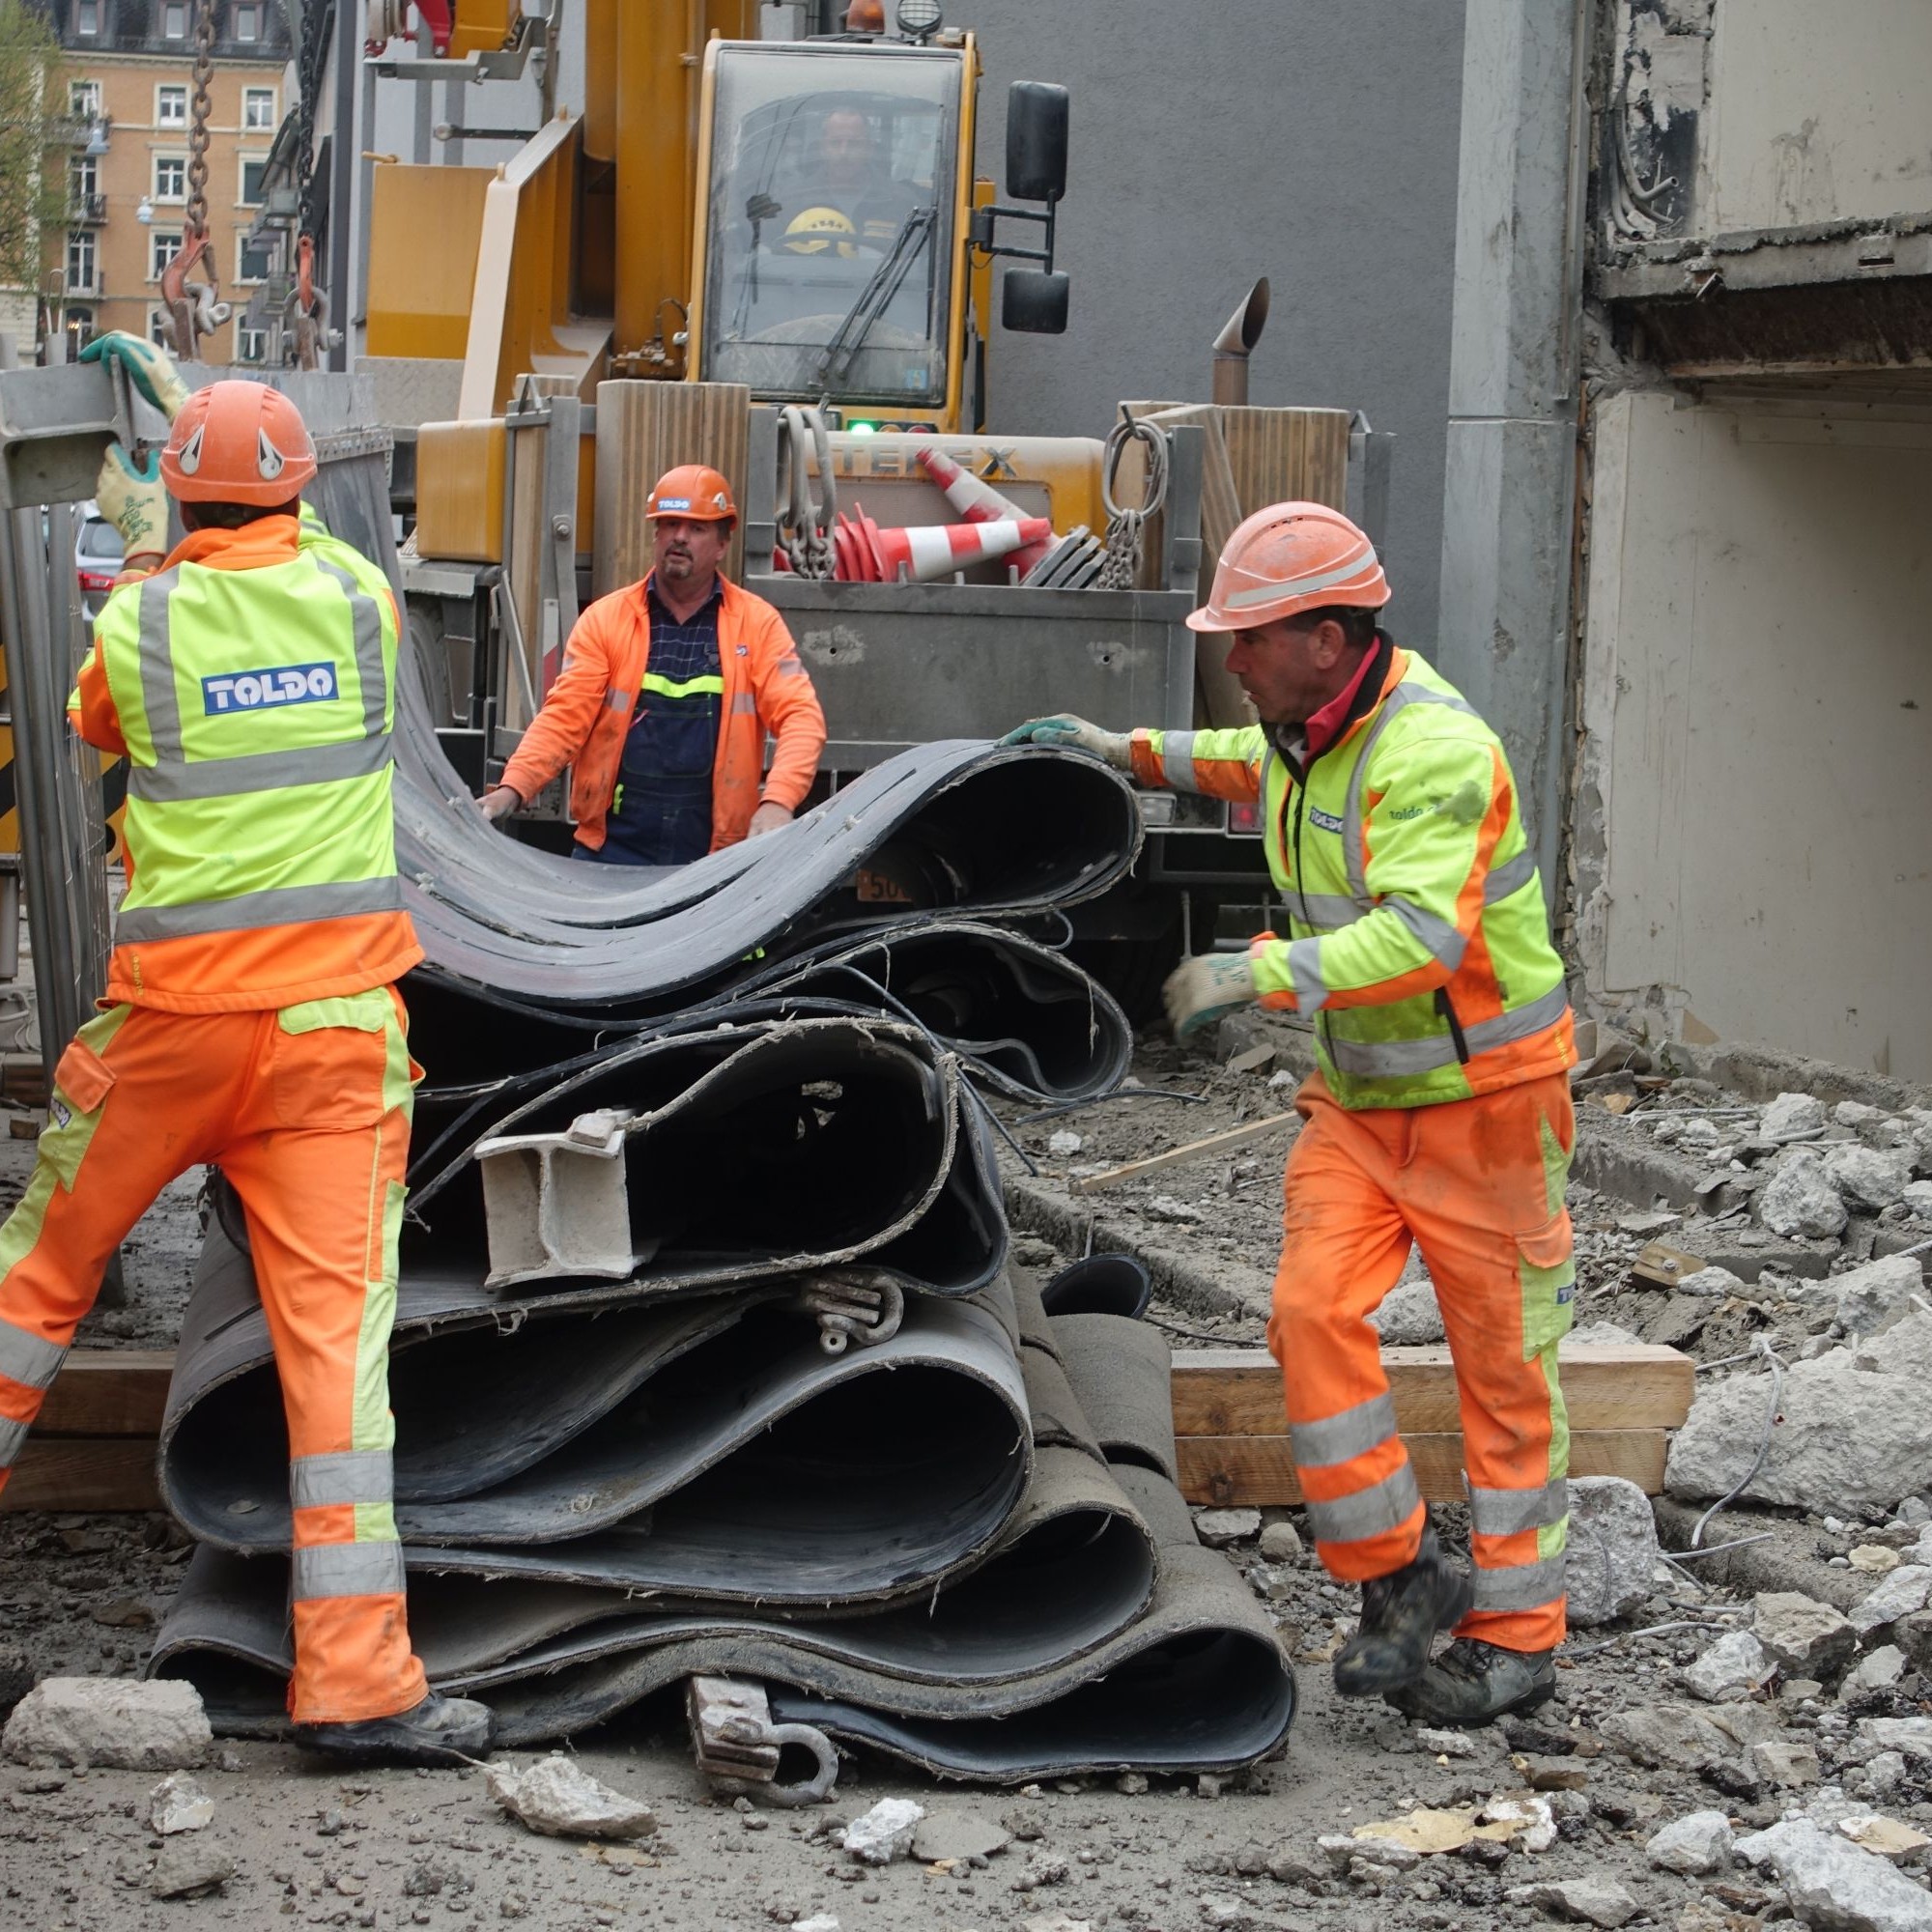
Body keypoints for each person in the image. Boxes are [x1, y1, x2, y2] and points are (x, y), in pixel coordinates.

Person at [1002, 502, 1578, 1726]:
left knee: (1502, 1377)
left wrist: (1252, 970)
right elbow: (1224, 756)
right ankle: (1401, 1578)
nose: (1232, 655)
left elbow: (1423, 935)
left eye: (1248, 636)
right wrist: (1119, 747)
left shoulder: (1433, 751)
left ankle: (1519, 1637)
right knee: (1309, 1317)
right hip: (1362, 1110)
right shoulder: (1299, 732)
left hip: (1486, 1110)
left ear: (1326, 637)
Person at [0, 335, 493, 1765]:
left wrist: (158, 529)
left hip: (166, 1031)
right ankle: (354, 1688)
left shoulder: (135, 629)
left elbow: (104, 715)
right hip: (335, 1039)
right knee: (337, 1367)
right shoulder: (357, 599)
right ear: (297, 490)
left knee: (38, 1289)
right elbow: (298, 579)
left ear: (169, 493)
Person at [478, 466, 826, 866]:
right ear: (656, 534)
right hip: (610, 851)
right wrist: (514, 787)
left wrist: (778, 801)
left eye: (696, 528)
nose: (680, 536)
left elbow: (802, 718)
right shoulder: (606, 619)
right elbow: (563, 717)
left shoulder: (757, 625)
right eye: (670, 524)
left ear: (722, 544)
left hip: (714, 859)